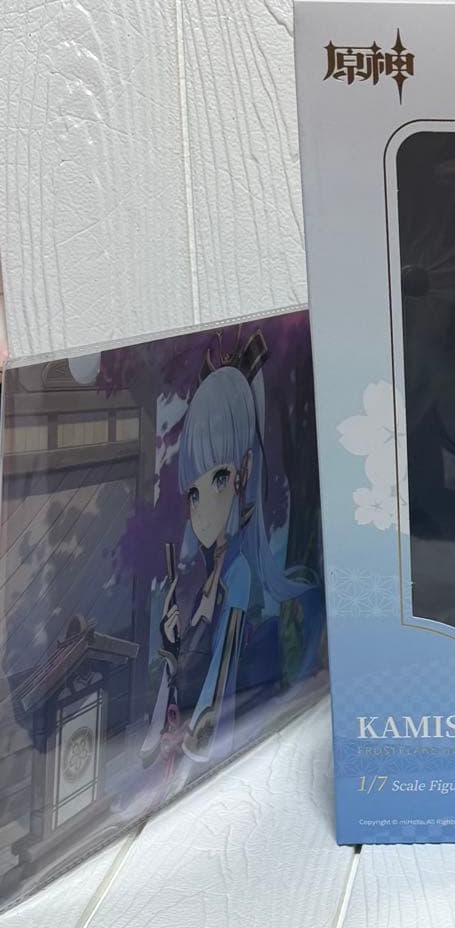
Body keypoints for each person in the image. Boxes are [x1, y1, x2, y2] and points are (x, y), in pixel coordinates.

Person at [141, 331, 311, 773]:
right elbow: (170, 713)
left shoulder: (239, 576)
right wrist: (170, 649)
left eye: (218, 478)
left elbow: (217, 689)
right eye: (194, 494)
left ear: (244, 471)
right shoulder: (198, 582)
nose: (203, 511)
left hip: (232, 753)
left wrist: (192, 734)